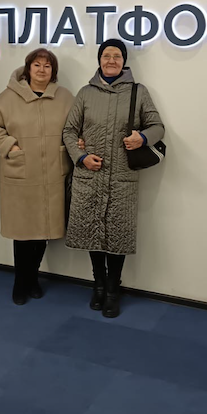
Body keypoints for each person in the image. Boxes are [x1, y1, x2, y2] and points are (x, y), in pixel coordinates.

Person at [62, 39, 164, 318]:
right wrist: (81, 157)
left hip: (121, 178)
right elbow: (69, 131)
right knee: (92, 234)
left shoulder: (138, 92)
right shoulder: (85, 93)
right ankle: (97, 284)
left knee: (117, 235)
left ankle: (112, 289)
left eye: (116, 56)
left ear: (124, 61)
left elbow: (158, 127)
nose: (111, 60)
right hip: (90, 176)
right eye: (106, 55)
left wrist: (143, 138)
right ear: (99, 60)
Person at [0, 49, 74, 305]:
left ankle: (32, 278)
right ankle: (20, 282)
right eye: (37, 65)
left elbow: (76, 127)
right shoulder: (8, 98)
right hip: (21, 176)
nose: (42, 70)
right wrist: (9, 146)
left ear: (53, 71)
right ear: (28, 68)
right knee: (23, 233)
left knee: (44, 232)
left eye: (47, 66)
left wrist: (76, 142)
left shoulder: (65, 98)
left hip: (52, 175)